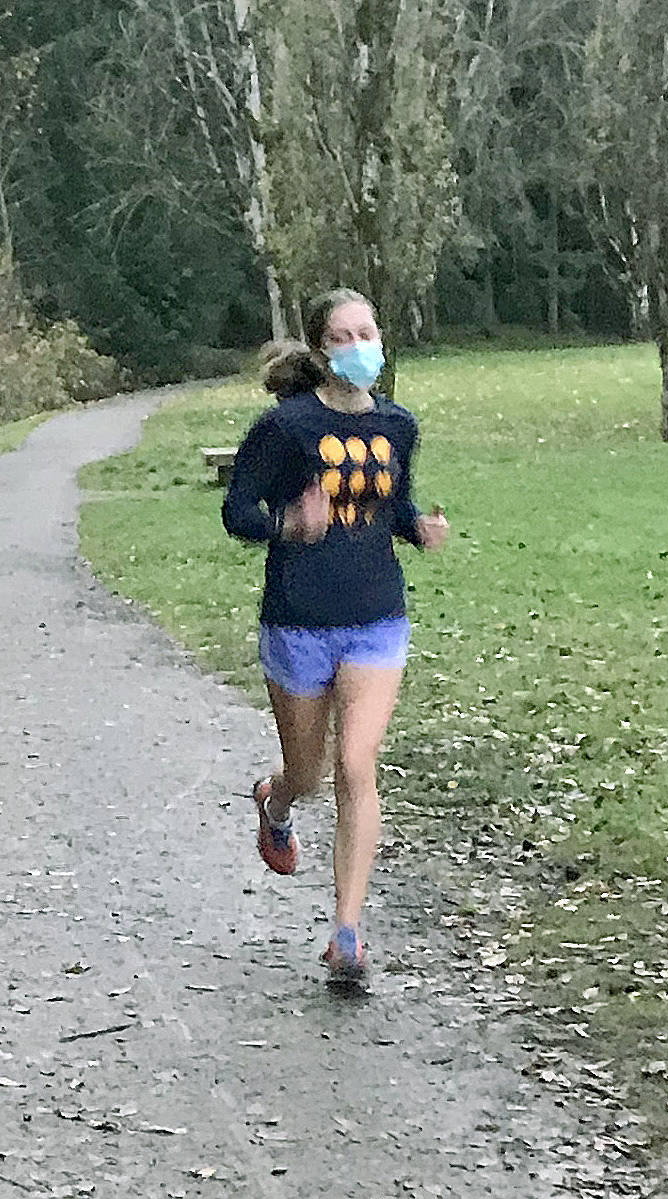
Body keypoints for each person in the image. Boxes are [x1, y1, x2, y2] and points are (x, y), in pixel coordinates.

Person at [222, 287, 448, 984]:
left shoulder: (397, 425)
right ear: (321, 350)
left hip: (377, 616)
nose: (358, 348)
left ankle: (346, 933)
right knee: (310, 775)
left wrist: (419, 528)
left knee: (356, 765)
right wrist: (288, 525)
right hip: (298, 620)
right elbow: (237, 510)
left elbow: (394, 503)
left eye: (366, 333)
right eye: (343, 337)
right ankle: (276, 799)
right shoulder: (285, 428)